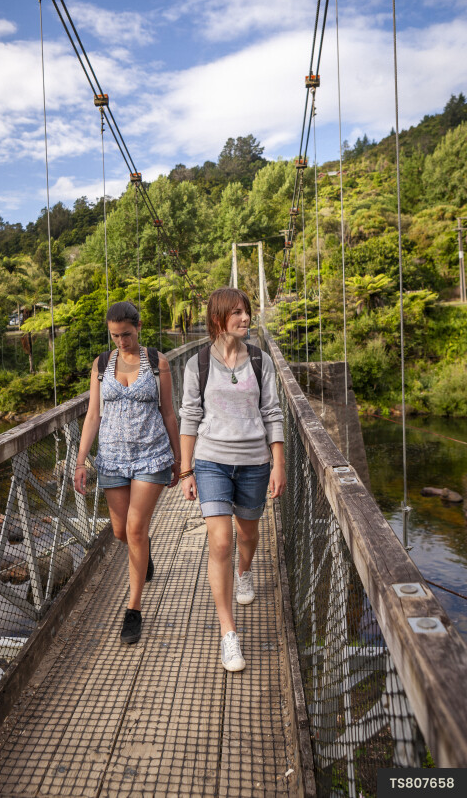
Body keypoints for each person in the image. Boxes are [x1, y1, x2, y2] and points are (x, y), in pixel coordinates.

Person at [179, 287, 286, 672]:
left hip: (255, 461)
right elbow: (190, 416)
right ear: (218, 317)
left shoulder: (261, 361)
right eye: (237, 313)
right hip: (211, 461)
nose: (245, 318)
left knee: (249, 533)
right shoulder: (198, 364)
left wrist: (279, 463)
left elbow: (273, 412)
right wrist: (186, 469)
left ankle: (245, 573)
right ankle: (229, 634)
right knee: (220, 541)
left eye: (247, 312)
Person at [74, 301, 181, 645]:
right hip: (112, 459)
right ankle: (143, 548)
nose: (121, 341)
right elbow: (93, 415)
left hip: (151, 456)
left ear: (138, 327)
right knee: (122, 531)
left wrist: (180, 459)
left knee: (135, 528)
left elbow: (169, 414)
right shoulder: (102, 364)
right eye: (115, 336)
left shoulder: (157, 362)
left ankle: (133, 610)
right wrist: (80, 462)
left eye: (127, 335)